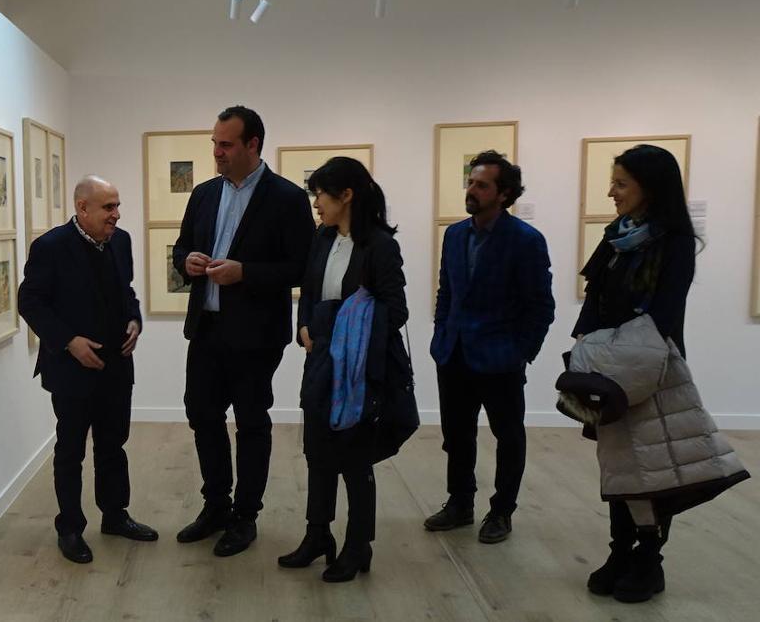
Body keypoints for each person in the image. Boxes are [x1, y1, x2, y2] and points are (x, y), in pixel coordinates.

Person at [562, 144, 748, 603]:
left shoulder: (676, 242)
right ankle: (620, 551)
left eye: (621, 183)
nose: (611, 192)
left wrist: (612, 353)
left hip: (651, 369)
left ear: (650, 187)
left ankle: (649, 560)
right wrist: (583, 348)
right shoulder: (616, 236)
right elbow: (595, 298)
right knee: (619, 463)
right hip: (606, 369)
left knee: (652, 468)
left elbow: (663, 315)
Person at [171, 106, 315, 557]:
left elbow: (302, 268)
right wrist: (189, 262)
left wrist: (246, 273)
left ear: (253, 145)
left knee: (251, 424)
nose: (217, 152)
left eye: (226, 144)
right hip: (207, 329)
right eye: (215, 142)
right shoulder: (204, 194)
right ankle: (215, 506)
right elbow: (180, 249)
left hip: (256, 336)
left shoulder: (287, 198)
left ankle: (245, 516)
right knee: (202, 415)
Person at [277, 157, 413, 582]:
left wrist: (349, 334)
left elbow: (397, 310)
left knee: (354, 460)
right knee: (317, 452)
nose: (316, 202)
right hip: (321, 360)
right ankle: (318, 535)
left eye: (320, 193)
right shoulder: (322, 238)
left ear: (346, 195)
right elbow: (311, 292)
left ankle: (358, 546)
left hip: (359, 368)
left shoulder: (379, 246)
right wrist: (304, 327)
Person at [18, 175, 158, 564]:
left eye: (117, 206)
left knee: (114, 445)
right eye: (108, 207)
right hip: (71, 369)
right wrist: (69, 341)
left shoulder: (121, 241)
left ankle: (115, 515)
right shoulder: (50, 247)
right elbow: (30, 302)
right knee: (71, 450)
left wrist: (135, 321)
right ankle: (71, 528)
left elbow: (126, 292)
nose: (116, 214)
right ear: (82, 208)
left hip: (116, 365)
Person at [426, 150, 554, 543]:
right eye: (471, 182)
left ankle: (502, 511)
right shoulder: (455, 234)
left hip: (500, 359)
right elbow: (447, 290)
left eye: (482, 185)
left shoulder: (525, 241)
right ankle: (460, 503)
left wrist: (521, 353)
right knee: (458, 434)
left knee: (508, 435)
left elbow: (540, 306)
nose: (472, 190)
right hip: (454, 353)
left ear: (504, 194)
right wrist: (440, 334)